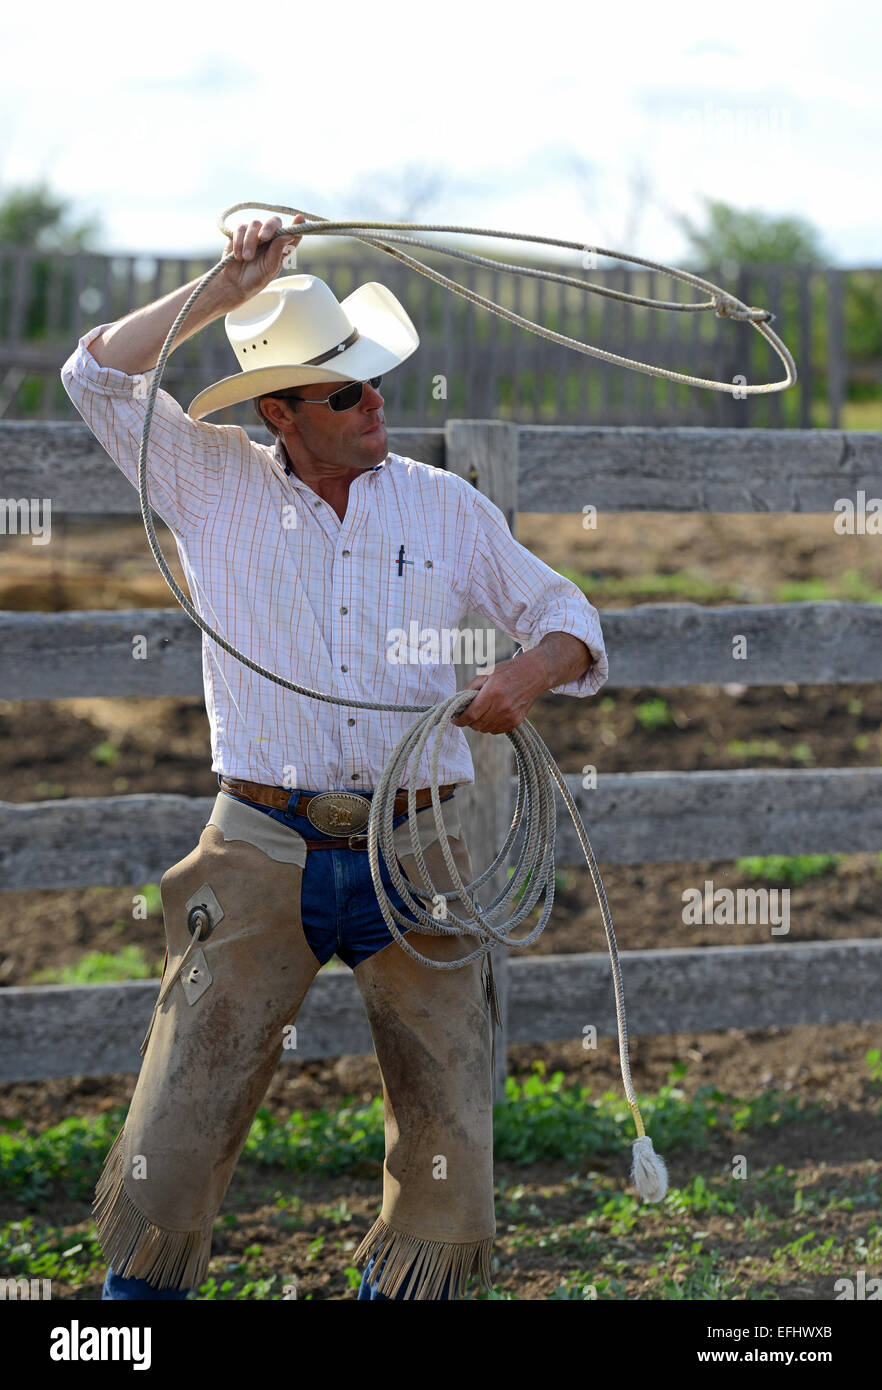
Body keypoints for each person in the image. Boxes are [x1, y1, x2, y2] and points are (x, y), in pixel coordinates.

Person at [60, 214, 609, 1301]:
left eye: (373, 382)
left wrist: (524, 676)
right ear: (282, 413)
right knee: (183, 1108)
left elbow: (568, 612)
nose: (376, 403)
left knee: (449, 1114)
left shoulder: (443, 505)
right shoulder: (212, 484)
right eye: (346, 391)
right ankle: (137, 1313)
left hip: (421, 846)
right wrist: (225, 285)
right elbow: (96, 375)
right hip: (261, 841)